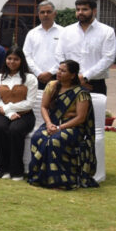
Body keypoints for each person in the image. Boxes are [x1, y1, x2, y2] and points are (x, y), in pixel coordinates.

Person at [27, 60, 98, 189]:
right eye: (58, 69)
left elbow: (81, 118)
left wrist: (60, 128)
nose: (58, 73)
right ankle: (40, 177)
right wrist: (49, 124)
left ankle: (59, 180)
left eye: (63, 71)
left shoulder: (81, 93)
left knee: (54, 141)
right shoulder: (51, 85)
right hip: (52, 123)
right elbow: (44, 107)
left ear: (73, 75)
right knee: (37, 137)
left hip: (73, 127)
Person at [0, 46, 38, 180]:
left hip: (25, 114)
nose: (12, 62)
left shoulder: (30, 78)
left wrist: (9, 108)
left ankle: (17, 171)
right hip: (3, 113)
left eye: (16, 59)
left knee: (15, 130)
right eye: (9, 58)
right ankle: (3, 169)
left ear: (21, 60)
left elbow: (30, 103)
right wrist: (8, 113)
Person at [55, 0, 116, 95]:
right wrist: (72, 76)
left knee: (95, 106)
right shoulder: (66, 31)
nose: (80, 12)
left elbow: (108, 58)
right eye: (78, 9)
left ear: (94, 11)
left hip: (94, 84)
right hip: (68, 82)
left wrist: (85, 77)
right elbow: (59, 54)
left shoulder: (107, 31)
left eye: (84, 9)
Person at [23, 1, 63, 90]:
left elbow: (65, 55)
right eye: (42, 12)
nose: (45, 14)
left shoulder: (63, 32)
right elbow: (27, 55)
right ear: (38, 14)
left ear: (54, 13)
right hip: (35, 77)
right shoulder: (32, 33)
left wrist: (51, 72)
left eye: (49, 12)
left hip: (57, 77)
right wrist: (38, 73)